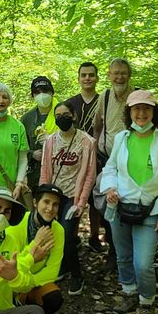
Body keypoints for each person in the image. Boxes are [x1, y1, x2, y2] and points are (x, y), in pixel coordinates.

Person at [99, 90, 158, 314]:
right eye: (136, 109)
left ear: (154, 112)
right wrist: (110, 187)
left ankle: (146, 303)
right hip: (121, 208)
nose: (141, 114)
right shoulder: (122, 138)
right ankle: (129, 291)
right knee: (123, 256)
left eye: (146, 109)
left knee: (143, 263)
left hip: (150, 211)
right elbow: (111, 168)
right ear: (129, 112)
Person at [39, 102, 97, 295]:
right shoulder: (50, 142)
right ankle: (61, 266)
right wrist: (42, 197)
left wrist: (81, 203)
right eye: (58, 115)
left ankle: (77, 275)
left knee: (66, 234)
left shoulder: (86, 141)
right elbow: (45, 170)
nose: (62, 118)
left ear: (73, 116)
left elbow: (89, 174)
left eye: (66, 114)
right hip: (54, 195)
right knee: (52, 233)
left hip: (72, 196)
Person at [62, 61, 108, 254]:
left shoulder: (104, 101)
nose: (87, 78)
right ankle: (72, 236)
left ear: (97, 78)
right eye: (84, 75)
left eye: (91, 75)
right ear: (79, 78)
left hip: (98, 158)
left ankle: (94, 236)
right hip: (75, 158)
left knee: (95, 199)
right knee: (75, 196)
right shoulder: (70, 103)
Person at [7, 184, 65, 314]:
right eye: (46, 202)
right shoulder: (16, 224)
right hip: (12, 283)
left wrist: (27, 285)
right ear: (35, 202)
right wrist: (36, 242)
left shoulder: (58, 230)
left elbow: (52, 271)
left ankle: (30, 311)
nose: (50, 208)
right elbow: (12, 266)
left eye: (55, 204)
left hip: (32, 283)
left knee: (53, 298)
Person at [20, 76, 58, 195]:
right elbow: (20, 148)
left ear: (52, 92)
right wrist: (32, 154)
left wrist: (52, 140)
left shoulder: (63, 112)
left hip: (60, 171)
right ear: (33, 96)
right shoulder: (27, 119)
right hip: (36, 174)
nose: (42, 95)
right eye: (37, 92)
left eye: (45, 91)